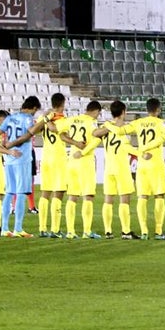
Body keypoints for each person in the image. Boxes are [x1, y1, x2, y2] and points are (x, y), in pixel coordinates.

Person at [103, 98, 165, 239]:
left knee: (142, 197)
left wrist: (107, 124)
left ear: (147, 110)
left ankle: (144, 232)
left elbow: (120, 131)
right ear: (158, 110)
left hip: (142, 164)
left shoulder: (138, 123)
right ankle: (158, 231)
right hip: (155, 163)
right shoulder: (161, 123)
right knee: (159, 196)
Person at [0, 96, 44, 237]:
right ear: (34, 108)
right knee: (21, 192)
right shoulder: (28, 119)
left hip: (9, 159)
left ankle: (5, 228)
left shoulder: (9, 118)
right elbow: (30, 132)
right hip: (22, 158)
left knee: (9, 192)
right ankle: (18, 228)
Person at [58, 100, 103, 239]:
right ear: (96, 111)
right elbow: (97, 138)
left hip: (71, 160)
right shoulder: (92, 122)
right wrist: (82, 150)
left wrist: (74, 143)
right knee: (88, 196)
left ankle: (70, 232)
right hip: (85, 162)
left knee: (72, 196)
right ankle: (87, 232)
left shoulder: (72, 119)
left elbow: (60, 133)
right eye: (98, 114)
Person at [99, 100, 139, 239]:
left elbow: (95, 133)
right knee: (124, 199)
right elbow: (126, 147)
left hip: (108, 167)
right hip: (121, 167)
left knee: (108, 199)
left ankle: (108, 231)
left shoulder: (106, 126)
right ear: (123, 112)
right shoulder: (124, 129)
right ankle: (126, 231)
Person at [37, 92, 70, 237]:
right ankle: (55, 230)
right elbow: (54, 129)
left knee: (45, 194)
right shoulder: (64, 120)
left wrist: (46, 118)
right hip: (58, 160)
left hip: (46, 159)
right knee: (58, 193)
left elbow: (37, 129)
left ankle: (42, 228)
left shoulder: (42, 118)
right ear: (63, 103)